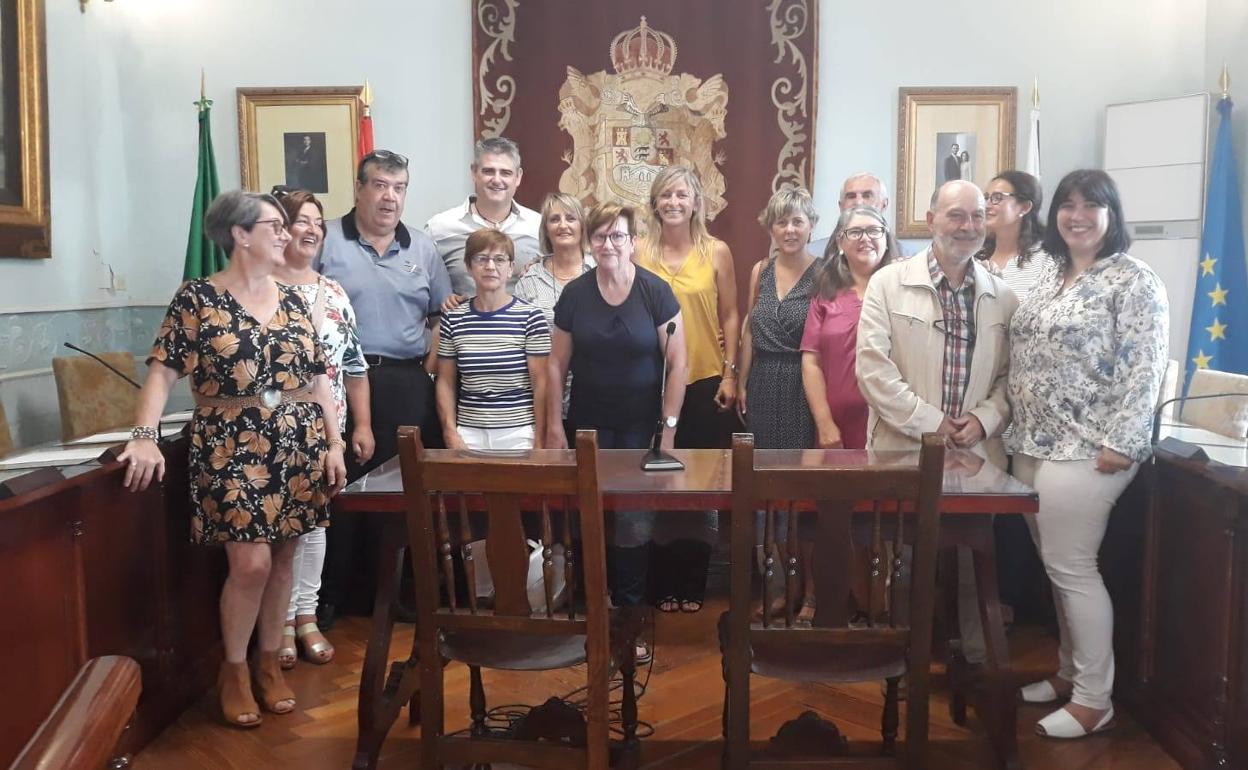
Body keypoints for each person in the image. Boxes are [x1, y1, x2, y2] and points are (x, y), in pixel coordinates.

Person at [118, 190, 347, 728]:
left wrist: (334, 444)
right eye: (274, 225)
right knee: (251, 563)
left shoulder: (294, 299)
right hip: (230, 445)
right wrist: (144, 434)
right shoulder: (197, 298)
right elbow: (162, 370)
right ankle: (235, 669)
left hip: (299, 442)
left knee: (286, 559)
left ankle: (270, 664)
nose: (286, 235)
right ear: (239, 235)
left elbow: (317, 380)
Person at [1010, 169, 1168, 739]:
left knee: (1073, 569)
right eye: (1067, 205)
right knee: (1055, 569)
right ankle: (1068, 672)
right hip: (1032, 443)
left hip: (1089, 450)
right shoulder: (1051, 275)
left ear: (1111, 215)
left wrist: (1119, 444)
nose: (1077, 216)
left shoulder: (1134, 280)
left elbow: (1144, 368)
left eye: (1091, 206)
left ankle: (1094, 699)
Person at [856, 180, 1017, 667]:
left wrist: (983, 420)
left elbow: (1012, 378)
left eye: (975, 216)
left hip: (975, 457)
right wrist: (932, 424)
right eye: (955, 215)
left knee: (973, 568)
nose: (967, 226)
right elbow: (872, 369)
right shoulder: (889, 282)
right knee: (901, 560)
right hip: (901, 450)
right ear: (931, 219)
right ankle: (898, 662)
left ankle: (975, 661)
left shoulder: (1003, 298)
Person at [315, 149, 452, 627]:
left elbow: (440, 315)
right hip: (337, 384)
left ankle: (405, 594)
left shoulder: (423, 249)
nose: (389, 197)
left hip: (405, 380)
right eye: (379, 185)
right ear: (358, 188)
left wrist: (430, 370)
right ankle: (334, 595)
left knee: (408, 490)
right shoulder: (327, 239)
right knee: (343, 488)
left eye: (399, 187)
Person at [546, 201, 687, 663]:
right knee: (590, 521)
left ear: (633, 241)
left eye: (618, 236)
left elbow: (678, 363)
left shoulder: (656, 292)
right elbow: (555, 365)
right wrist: (552, 426)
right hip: (586, 429)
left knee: (633, 525)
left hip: (640, 431)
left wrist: (667, 432)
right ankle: (595, 617)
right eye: (601, 237)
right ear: (591, 243)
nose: (609, 245)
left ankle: (630, 621)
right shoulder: (575, 295)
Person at [270, 187, 373, 669]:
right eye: (300, 221)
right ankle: (280, 622)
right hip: (270, 428)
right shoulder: (258, 288)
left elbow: (354, 366)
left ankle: (306, 614)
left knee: (315, 523)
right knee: (277, 528)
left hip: (327, 431)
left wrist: (363, 425)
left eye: (317, 222)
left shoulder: (332, 292)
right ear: (278, 229)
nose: (310, 229)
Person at [635, 166, 739, 614]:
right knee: (648, 485)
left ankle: (691, 581)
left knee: (694, 487)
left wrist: (731, 373)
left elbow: (732, 315)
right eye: (665, 195)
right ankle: (658, 580)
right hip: (649, 382)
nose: (673, 202)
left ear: (696, 201)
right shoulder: (638, 250)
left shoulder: (716, 251)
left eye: (682, 194)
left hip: (702, 382)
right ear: (655, 203)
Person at [974, 170, 1051, 627]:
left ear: (1024, 206)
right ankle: (979, 603)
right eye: (985, 197)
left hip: (1026, 405)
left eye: (998, 197)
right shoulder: (977, 258)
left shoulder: (1045, 264)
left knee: (1015, 509)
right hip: (978, 401)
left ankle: (1012, 605)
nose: (988, 205)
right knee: (980, 507)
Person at [436, 229, 550, 451]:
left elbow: (541, 385)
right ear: (469, 266)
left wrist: (540, 439)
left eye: (499, 259)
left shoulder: (530, 317)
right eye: (481, 259)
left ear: (510, 268)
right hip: (468, 433)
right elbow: (446, 383)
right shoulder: (453, 318)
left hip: (519, 432)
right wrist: (450, 432)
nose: (490, 266)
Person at [802, 205, 901, 451]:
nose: (865, 238)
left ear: (886, 240)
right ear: (840, 242)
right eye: (855, 232)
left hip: (894, 426)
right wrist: (824, 424)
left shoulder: (905, 290)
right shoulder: (825, 293)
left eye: (874, 231)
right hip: (836, 427)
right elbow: (811, 363)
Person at [737, 187, 822, 449]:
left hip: (803, 384)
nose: (790, 230)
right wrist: (742, 382)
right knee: (760, 466)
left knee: (798, 470)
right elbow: (751, 330)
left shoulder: (825, 274)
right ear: (771, 229)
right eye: (781, 222)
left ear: (811, 226)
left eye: (798, 222)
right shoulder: (760, 270)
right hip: (761, 381)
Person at [514, 193, 594, 441]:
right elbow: (519, 343)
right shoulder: (529, 279)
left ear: (582, 225)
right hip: (544, 399)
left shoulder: (600, 271)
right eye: (554, 219)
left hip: (592, 396)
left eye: (571, 218)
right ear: (545, 229)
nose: (563, 225)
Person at [425, 136, 542, 298]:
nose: (497, 180)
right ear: (473, 172)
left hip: (525, 322)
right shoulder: (439, 229)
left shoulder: (538, 227)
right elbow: (427, 291)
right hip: (462, 322)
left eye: (506, 173)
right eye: (488, 171)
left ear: (518, 177)